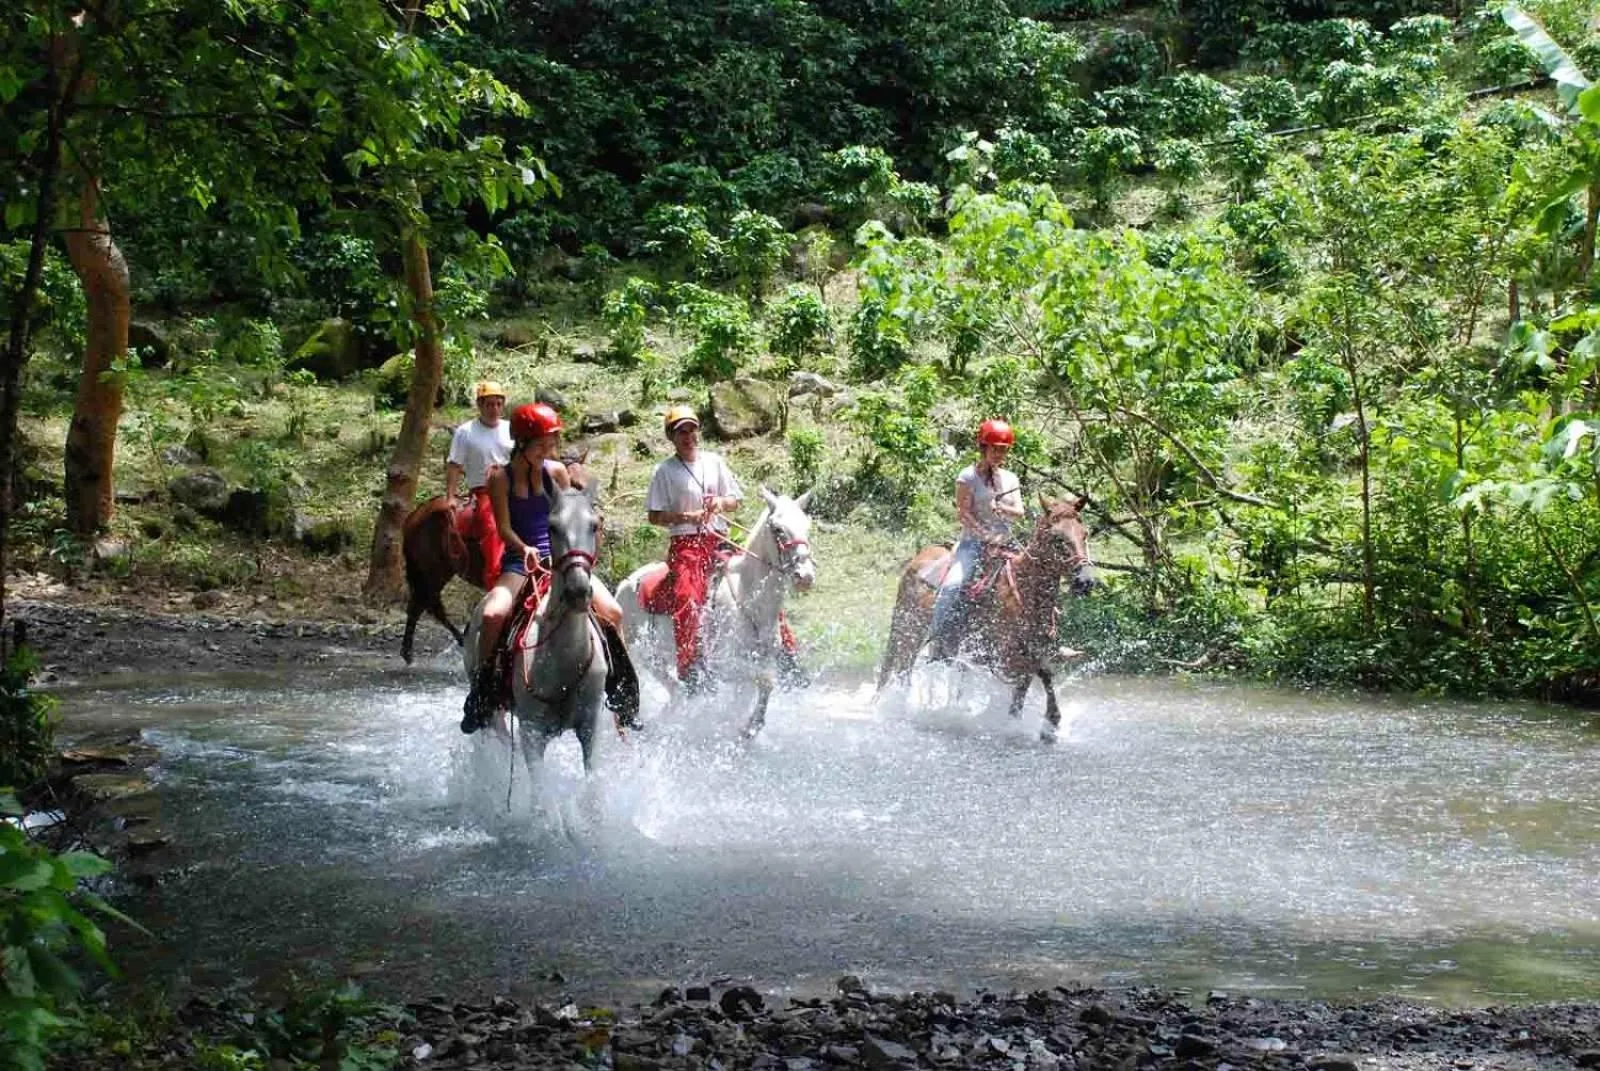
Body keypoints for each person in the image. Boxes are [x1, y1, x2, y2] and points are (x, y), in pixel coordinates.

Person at [462, 403, 635, 733]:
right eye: (542, 443)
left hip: (562, 558)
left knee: (612, 611)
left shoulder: (556, 472)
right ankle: (484, 688)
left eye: (552, 442)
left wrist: (588, 522)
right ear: (523, 442)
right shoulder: (500, 477)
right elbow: (503, 527)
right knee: (493, 614)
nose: (549, 449)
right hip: (521, 560)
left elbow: (570, 512)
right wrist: (524, 548)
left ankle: (621, 692)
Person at [645, 406, 744, 691]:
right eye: (681, 432)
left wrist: (720, 504)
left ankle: (786, 649)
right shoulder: (664, 470)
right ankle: (689, 666)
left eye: (691, 430)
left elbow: (735, 500)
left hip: (720, 537)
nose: (688, 436)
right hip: (686, 542)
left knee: (757, 576)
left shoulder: (714, 461)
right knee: (687, 598)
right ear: (671, 437)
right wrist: (684, 517)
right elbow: (654, 516)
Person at [926, 418, 1025, 661]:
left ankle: (1043, 641)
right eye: (994, 448)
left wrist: (1000, 507)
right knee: (952, 586)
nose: (999, 454)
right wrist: (985, 536)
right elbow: (964, 514)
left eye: (1003, 449)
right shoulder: (967, 477)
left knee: (1034, 581)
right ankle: (936, 641)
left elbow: (1020, 512)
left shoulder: (1011, 478)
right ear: (983, 448)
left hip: (1006, 543)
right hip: (973, 543)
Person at [446, 381, 513, 590]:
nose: (494, 409)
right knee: (494, 528)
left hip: (514, 487)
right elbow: (455, 464)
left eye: (498, 404)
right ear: (480, 405)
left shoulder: (511, 429)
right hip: (485, 491)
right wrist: (450, 495)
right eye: (489, 404)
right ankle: (495, 580)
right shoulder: (466, 432)